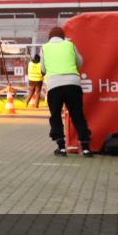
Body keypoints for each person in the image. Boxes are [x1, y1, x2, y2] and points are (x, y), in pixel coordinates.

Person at [40, 26, 92, 157]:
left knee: (56, 116)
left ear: (49, 38)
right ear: (63, 37)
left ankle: (61, 147)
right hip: (73, 83)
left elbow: (43, 68)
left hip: (54, 85)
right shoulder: (70, 45)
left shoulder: (45, 48)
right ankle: (85, 147)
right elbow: (80, 62)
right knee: (77, 115)